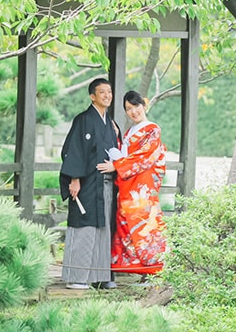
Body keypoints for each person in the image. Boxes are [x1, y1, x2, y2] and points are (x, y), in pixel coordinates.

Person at [60, 77, 122, 290]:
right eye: (102, 92)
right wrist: (74, 179)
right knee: (85, 226)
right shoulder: (84, 119)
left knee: (104, 227)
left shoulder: (110, 123)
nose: (107, 95)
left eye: (109, 92)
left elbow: (117, 151)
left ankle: (101, 276)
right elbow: (74, 150)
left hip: (105, 185)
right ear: (92, 96)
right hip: (86, 183)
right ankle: (77, 276)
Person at [97, 90, 167, 276]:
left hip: (141, 186)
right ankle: (132, 267)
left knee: (144, 224)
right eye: (128, 109)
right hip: (129, 184)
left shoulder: (152, 129)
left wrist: (117, 164)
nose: (133, 111)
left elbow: (145, 156)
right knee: (125, 223)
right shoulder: (129, 132)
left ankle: (154, 266)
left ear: (144, 105)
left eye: (136, 106)